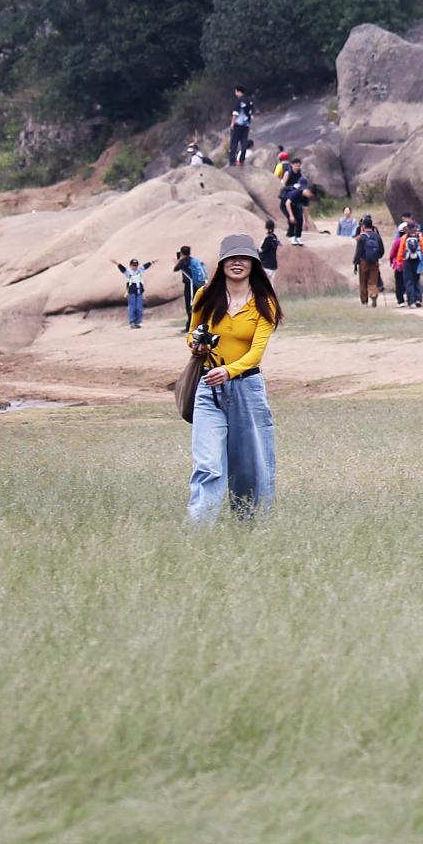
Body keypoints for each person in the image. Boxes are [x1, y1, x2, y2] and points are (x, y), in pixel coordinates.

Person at [186, 234, 281, 522]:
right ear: (222, 263)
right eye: (231, 258)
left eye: (244, 258)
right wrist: (196, 345)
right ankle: (199, 530)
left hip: (247, 389)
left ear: (253, 264)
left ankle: (250, 525)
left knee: (249, 467)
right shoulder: (204, 295)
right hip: (208, 388)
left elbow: (256, 353)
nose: (237, 263)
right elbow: (192, 332)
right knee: (208, 464)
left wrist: (228, 371)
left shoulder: (264, 303)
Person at [353, 216, 385, 307]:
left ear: (363, 226)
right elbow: (382, 251)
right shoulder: (377, 236)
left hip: (363, 262)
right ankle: (373, 295)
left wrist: (355, 262)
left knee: (363, 282)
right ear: (372, 225)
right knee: (373, 281)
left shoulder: (362, 237)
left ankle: (364, 302)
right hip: (374, 262)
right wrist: (377, 257)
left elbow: (358, 252)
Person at [397, 219, 423, 308]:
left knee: (409, 281)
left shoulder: (404, 237)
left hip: (407, 260)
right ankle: (418, 299)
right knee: (416, 280)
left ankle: (411, 301)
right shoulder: (419, 236)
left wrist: (399, 261)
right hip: (417, 260)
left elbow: (401, 250)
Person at [116, 257, 153, 328]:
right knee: (132, 307)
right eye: (133, 265)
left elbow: (145, 266)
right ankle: (132, 322)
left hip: (139, 291)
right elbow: (122, 268)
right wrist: (117, 263)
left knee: (139, 307)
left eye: (136, 265)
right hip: (131, 291)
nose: (135, 267)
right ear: (130, 265)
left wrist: (152, 262)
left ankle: (137, 322)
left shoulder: (140, 270)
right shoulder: (128, 272)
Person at [174, 244, 206, 319]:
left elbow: (176, 269)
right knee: (197, 301)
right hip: (197, 284)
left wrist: (178, 261)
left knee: (189, 303)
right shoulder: (193, 260)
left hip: (189, 285)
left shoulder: (183, 261)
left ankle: (190, 322)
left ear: (182, 253)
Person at [227, 89, 255, 167]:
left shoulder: (239, 101)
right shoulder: (250, 101)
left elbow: (235, 113)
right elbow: (251, 114)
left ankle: (232, 161)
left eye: (236, 92)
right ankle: (242, 160)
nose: (235, 93)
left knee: (234, 143)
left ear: (239, 92)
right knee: (244, 143)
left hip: (238, 125)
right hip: (246, 126)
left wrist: (232, 123)